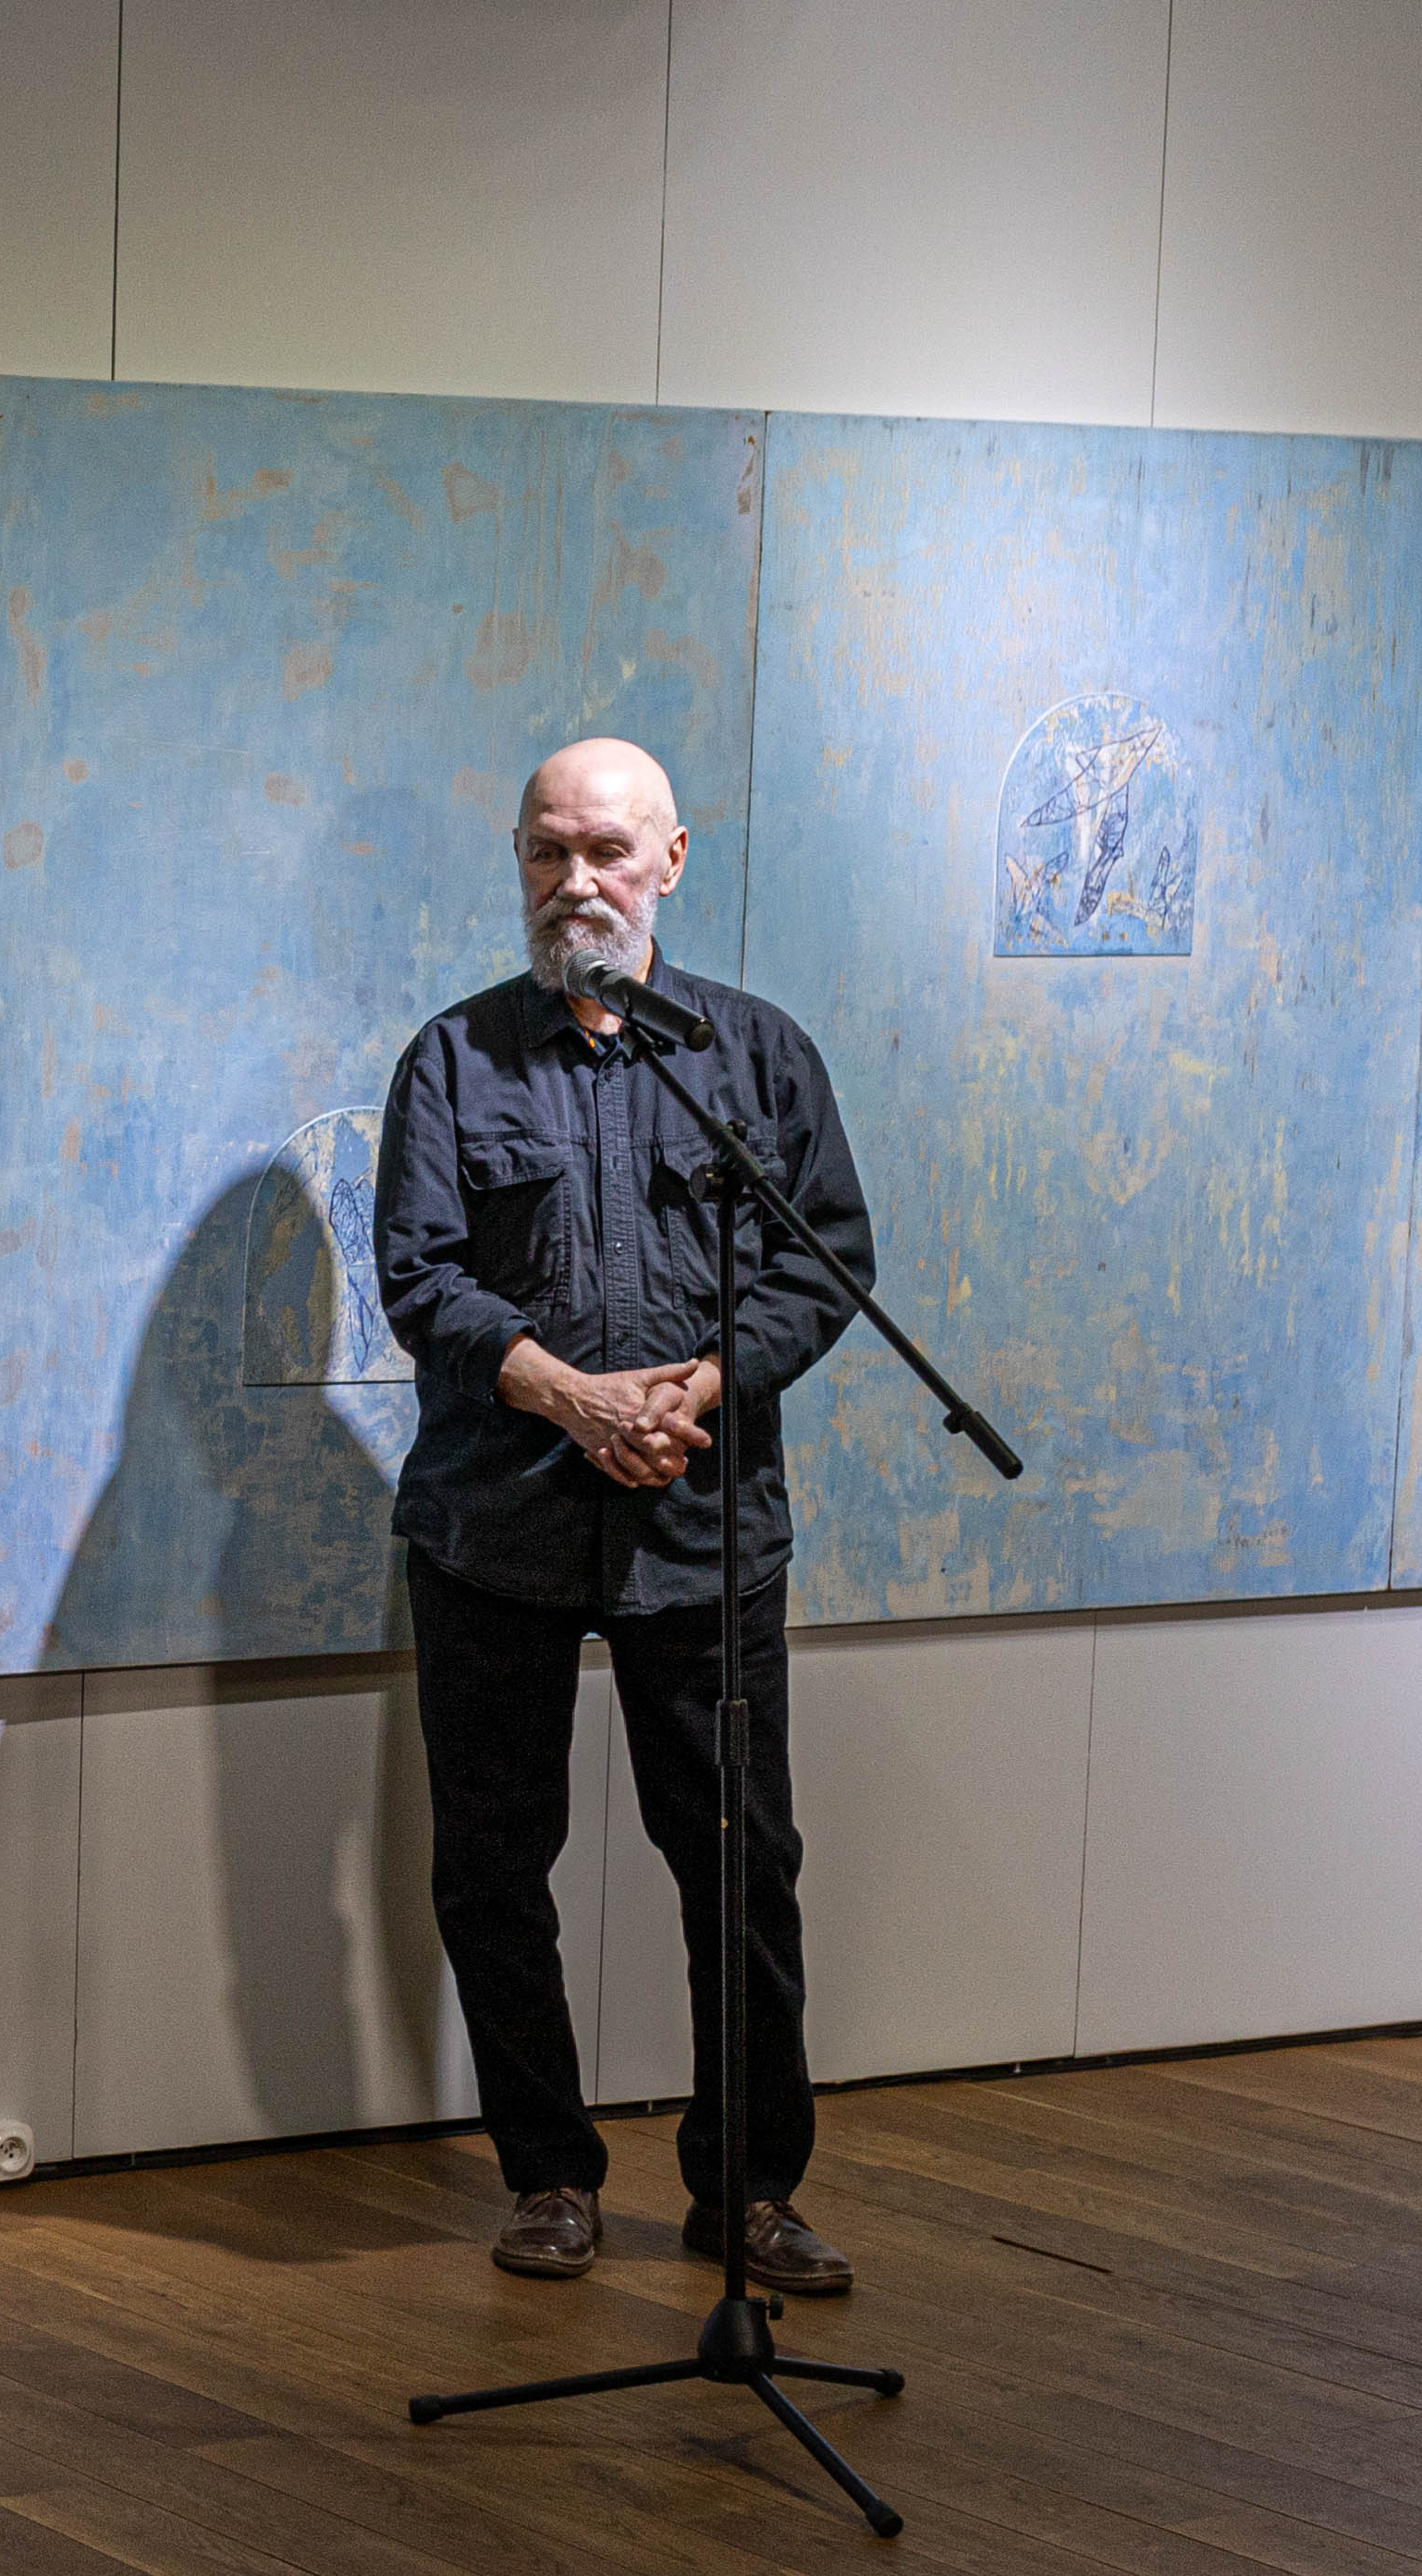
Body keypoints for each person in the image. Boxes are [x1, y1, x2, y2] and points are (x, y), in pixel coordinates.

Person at [373, 736, 879, 2298]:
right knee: (492, 1867)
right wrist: (569, 1397)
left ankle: (749, 2191)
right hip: (496, 1529)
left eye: (604, 849)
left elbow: (826, 1263)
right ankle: (548, 2176)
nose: (574, 879)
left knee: (740, 1864)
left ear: (671, 859)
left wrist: (694, 1392)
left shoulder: (757, 1058)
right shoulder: (453, 1060)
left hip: (703, 1530)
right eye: (547, 850)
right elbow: (419, 1278)